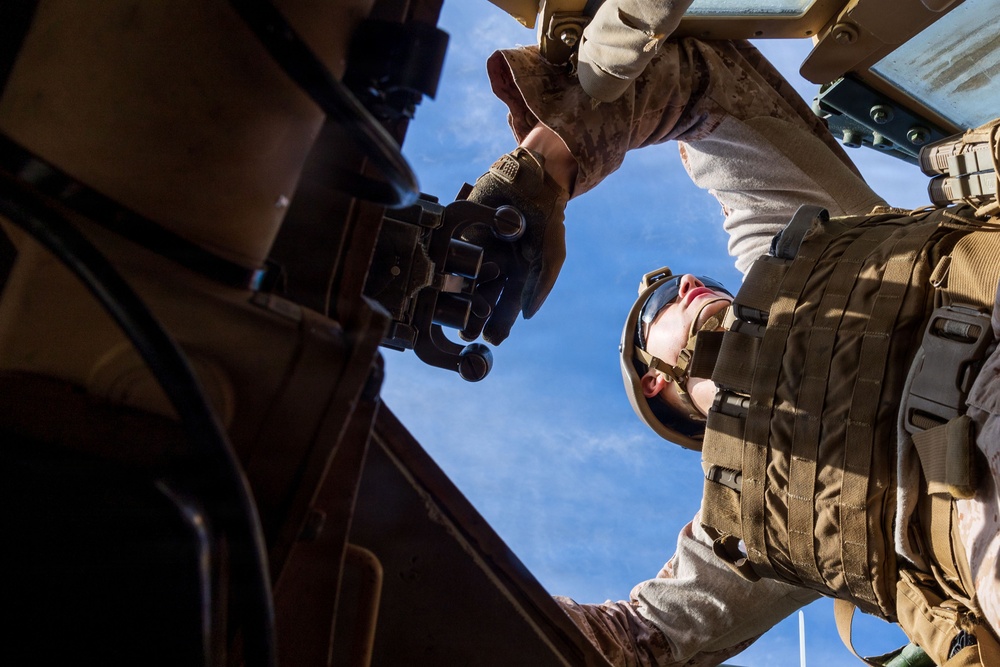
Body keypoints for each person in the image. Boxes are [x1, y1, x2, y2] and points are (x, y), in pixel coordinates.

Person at [456, 2, 1000, 664]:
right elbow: (629, 640)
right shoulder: (748, 525)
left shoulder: (800, 251)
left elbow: (701, 78)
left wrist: (542, 170)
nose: (687, 282)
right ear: (656, 384)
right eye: (660, 302)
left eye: (686, 280)